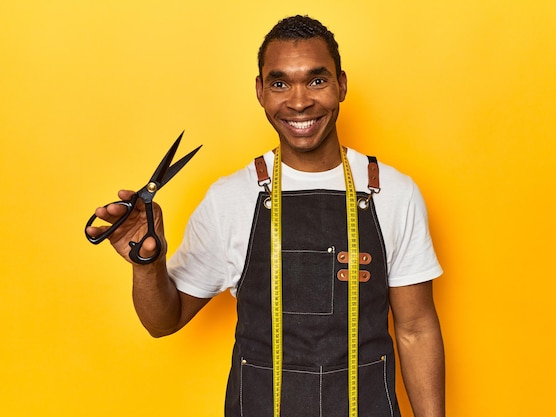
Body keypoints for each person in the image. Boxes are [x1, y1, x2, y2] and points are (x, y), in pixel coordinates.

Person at [88, 15, 445, 417]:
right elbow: (162, 322)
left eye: (316, 80)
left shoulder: (393, 193)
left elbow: (416, 329)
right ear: (260, 91)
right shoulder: (230, 198)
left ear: (341, 85)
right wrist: (146, 263)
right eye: (279, 83)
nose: (298, 101)